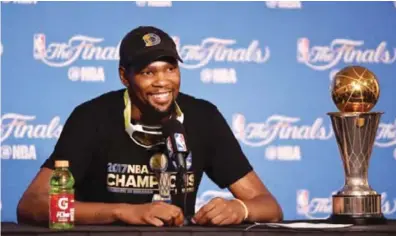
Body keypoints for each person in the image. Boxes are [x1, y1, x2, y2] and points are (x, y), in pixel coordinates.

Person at [17, 26, 283, 227]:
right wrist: (124, 212)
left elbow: (269, 206)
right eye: (148, 72)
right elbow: (31, 204)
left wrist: (240, 209)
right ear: (124, 77)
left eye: (170, 69)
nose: (162, 82)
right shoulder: (92, 117)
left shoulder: (203, 117)